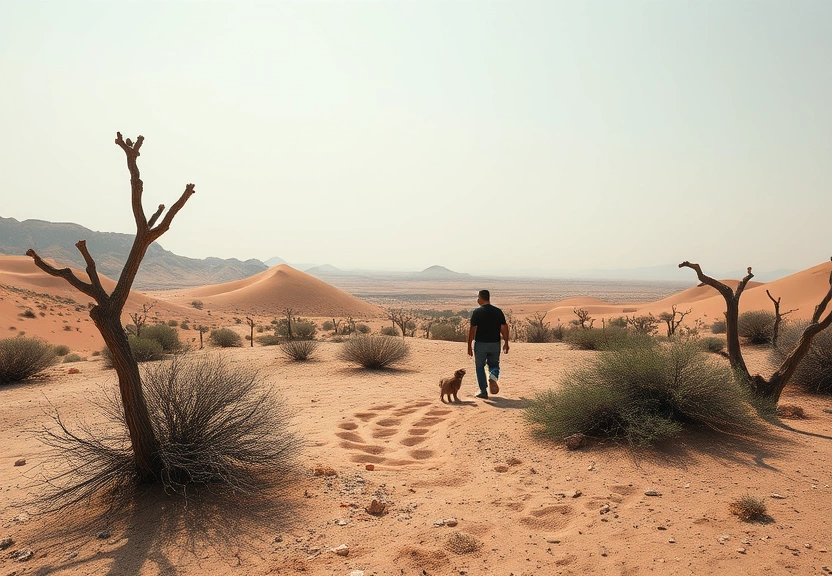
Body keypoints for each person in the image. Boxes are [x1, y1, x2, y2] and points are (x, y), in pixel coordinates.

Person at [467, 289, 509, 399]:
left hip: (480, 344)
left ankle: (483, 391)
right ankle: (493, 376)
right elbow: (504, 328)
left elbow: (472, 330)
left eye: (478, 298)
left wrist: (469, 346)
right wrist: (506, 342)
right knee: (494, 364)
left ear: (481, 298)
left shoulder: (477, 312)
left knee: (479, 367)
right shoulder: (498, 311)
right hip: (495, 344)